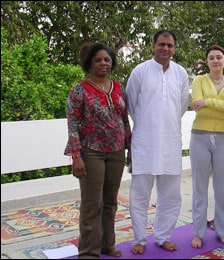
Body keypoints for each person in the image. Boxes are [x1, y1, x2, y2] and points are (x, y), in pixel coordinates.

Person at [64, 42, 131, 259]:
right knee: (93, 205)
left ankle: (106, 245)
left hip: (116, 152)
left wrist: (129, 148)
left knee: (110, 202)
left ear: (112, 63)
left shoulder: (119, 88)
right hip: (91, 153)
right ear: (89, 63)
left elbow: (124, 120)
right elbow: (72, 124)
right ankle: (88, 253)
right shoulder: (79, 90)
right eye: (98, 60)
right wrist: (76, 156)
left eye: (107, 60)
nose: (103, 63)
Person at [125, 30, 190, 254]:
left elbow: (181, 105)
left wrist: (165, 124)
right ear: (153, 46)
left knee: (171, 194)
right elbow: (131, 105)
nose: (165, 49)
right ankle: (140, 239)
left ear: (174, 48)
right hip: (144, 141)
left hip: (171, 141)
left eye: (170, 45)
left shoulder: (181, 73)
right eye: (161, 44)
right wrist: (147, 124)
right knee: (140, 193)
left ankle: (162, 236)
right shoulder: (140, 71)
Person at [190, 45, 224, 249]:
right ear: (207, 61)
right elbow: (196, 104)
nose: (215, 61)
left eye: (218, 57)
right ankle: (198, 232)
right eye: (211, 58)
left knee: (222, 189)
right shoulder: (199, 80)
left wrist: (208, 102)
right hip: (200, 136)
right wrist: (223, 109)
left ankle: (222, 230)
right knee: (199, 188)